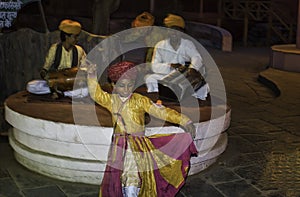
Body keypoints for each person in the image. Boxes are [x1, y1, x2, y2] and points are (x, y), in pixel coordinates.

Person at [86, 60, 197, 197]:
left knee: (132, 173)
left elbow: (162, 112)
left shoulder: (140, 100)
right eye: (122, 86)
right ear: (113, 85)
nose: (126, 89)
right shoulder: (111, 100)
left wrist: (184, 121)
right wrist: (91, 75)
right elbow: (95, 94)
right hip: (119, 146)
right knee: (120, 175)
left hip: (138, 144)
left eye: (130, 85)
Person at [144, 14, 209, 100]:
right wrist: (170, 66)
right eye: (171, 30)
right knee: (149, 78)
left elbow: (196, 57)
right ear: (167, 31)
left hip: (185, 75)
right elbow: (154, 66)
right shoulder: (160, 45)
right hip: (167, 74)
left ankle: (177, 94)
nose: (174, 33)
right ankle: (168, 94)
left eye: (177, 30)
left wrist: (192, 68)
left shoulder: (187, 44)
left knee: (201, 85)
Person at [27, 19, 88, 98]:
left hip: (73, 85)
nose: (77, 39)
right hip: (56, 84)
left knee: (86, 90)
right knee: (31, 86)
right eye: (75, 37)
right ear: (67, 36)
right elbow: (44, 70)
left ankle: (62, 94)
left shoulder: (79, 50)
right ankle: (57, 92)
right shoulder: (54, 49)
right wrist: (48, 78)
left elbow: (85, 68)